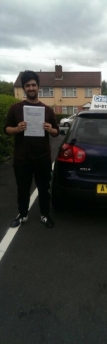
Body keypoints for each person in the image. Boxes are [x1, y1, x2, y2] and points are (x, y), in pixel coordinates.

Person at [4, 70, 59, 228]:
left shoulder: (47, 110)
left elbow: (56, 132)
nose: (31, 88)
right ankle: (22, 214)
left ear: (38, 87)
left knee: (44, 189)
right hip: (22, 158)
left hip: (42, 157)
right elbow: (6, 129)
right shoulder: (15, 108)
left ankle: (44, 214)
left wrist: (50, 129)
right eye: (27, 85)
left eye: (33, 85)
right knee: (23, 189)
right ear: (24, 88)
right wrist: (17, 129)